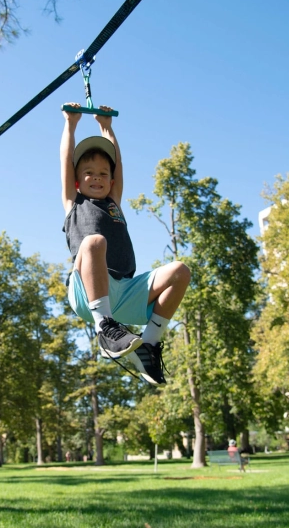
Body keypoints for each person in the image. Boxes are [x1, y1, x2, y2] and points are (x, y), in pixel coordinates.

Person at [60, 102, 191, 385]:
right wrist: (71, 124)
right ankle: (104, 327)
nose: (97, 177)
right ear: (76, 181)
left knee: (180, 271)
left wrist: (106, 128)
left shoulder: (114, 203)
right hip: (87, 291)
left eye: (103, 174)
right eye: (88, 173)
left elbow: (118, 165)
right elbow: (65, 161)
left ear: (111, 180)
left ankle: (150, 343)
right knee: (95, 242)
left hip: (125, 291)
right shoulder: (74, 203)